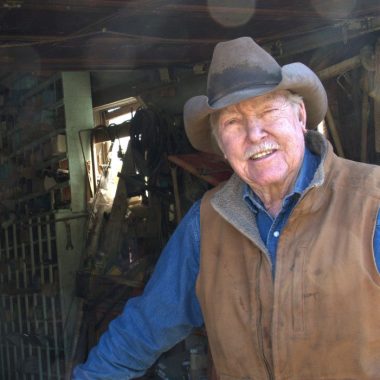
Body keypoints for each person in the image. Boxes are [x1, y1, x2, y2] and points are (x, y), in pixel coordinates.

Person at [73, 37, 380, 379]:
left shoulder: (372, 203)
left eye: (268, 111)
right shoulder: (206, 223)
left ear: (300, 116)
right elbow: (142, 329)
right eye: (233, 122)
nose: (254, 133)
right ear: (220, 143)